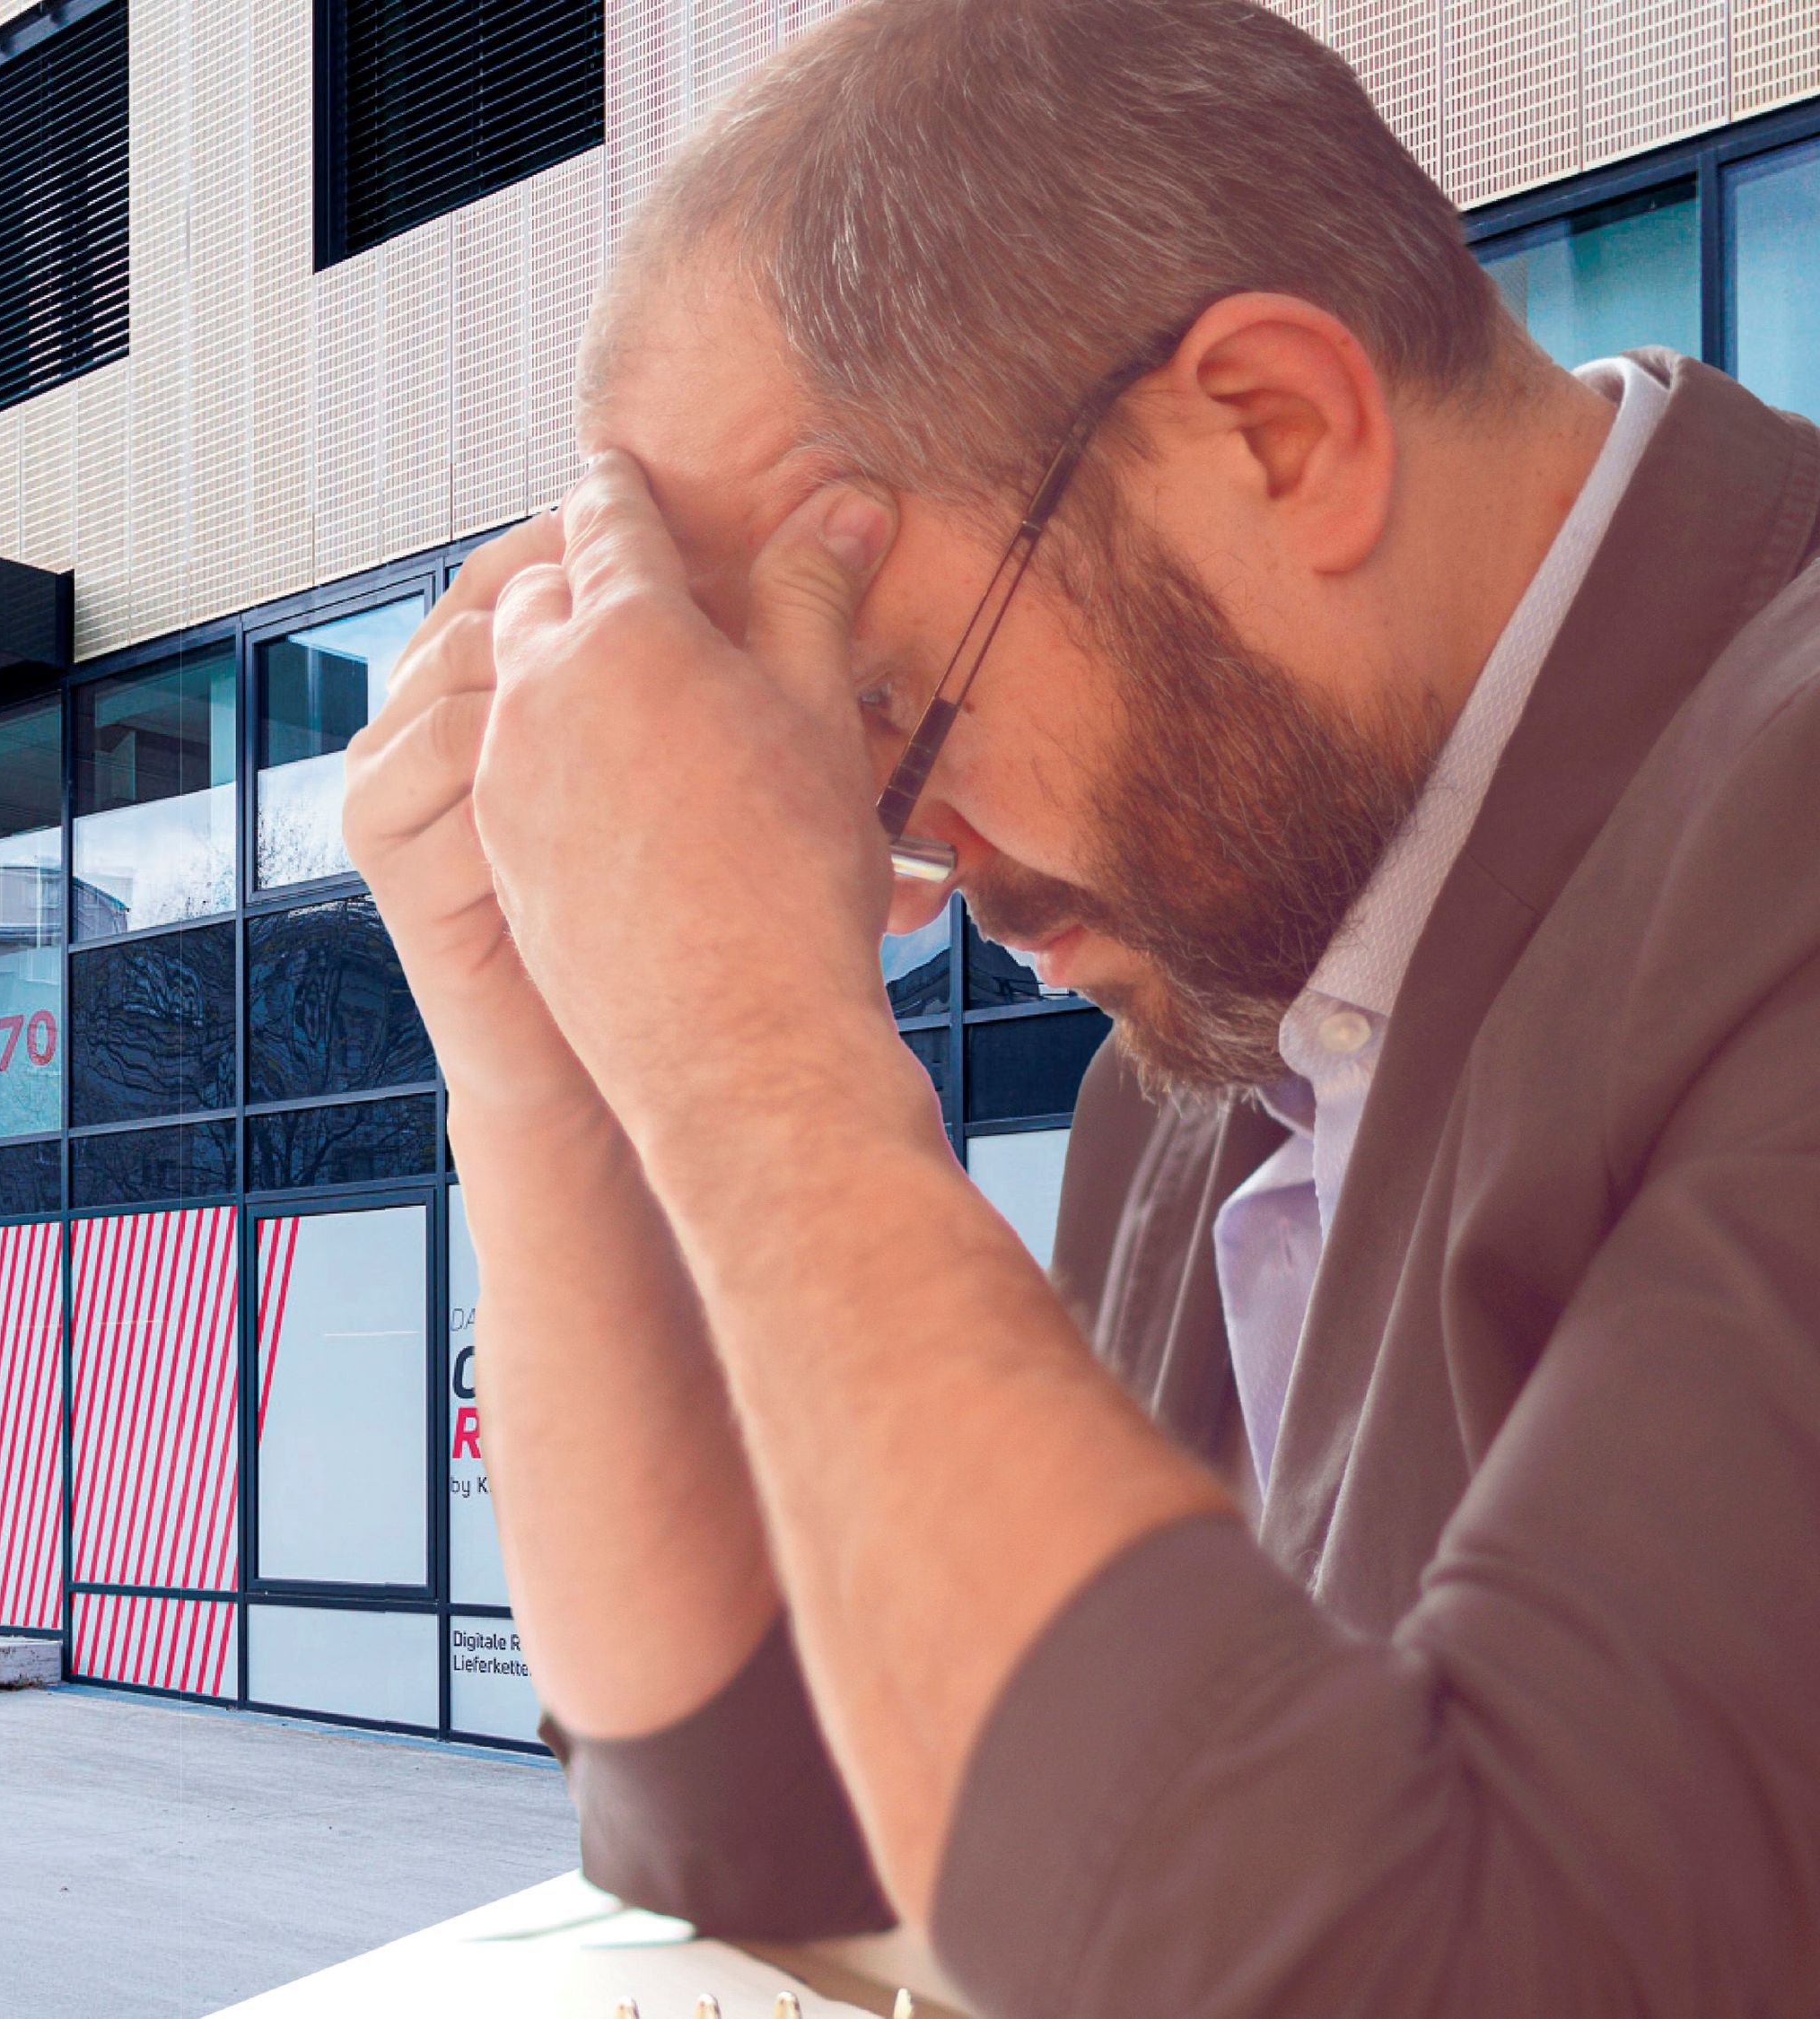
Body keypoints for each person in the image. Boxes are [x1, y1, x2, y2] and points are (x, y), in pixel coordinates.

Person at [343, 0, 1820, 2010]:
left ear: (1272, 434)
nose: (890, 875)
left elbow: (1433, 1969)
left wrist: (751, 1058)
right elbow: (774, 1817)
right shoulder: (1222, 1029)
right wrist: (533, 1061)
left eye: (872, 704)